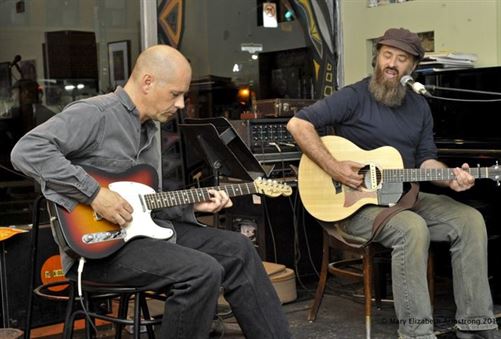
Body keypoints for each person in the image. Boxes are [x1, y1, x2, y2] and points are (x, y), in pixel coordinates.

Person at [11, 45, 291, 339]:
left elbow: (147, 203)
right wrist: (95, 194)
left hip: (143, 235)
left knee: (239, 249)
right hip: (96, 252)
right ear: (147, 82)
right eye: (175, 94)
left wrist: (193, 207)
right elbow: (27, 150)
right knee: (201, 271)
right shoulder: (95, 114)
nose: (182, 104)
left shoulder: (151, 129)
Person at [287, 28, 499, 339]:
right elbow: (298, 123)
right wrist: (335, 168)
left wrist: (449, 179)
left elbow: (426, 160)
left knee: (470, 219)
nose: (392, 64)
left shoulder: (419, 107)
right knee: (410, 227)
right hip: (352, 204)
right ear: (377, 57)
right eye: (387, 55)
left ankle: (476, 324)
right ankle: (416, 333)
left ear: (412, 68)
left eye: (402, 59)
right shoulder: (354, 96)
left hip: (401, 197)